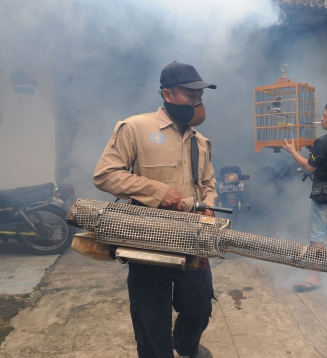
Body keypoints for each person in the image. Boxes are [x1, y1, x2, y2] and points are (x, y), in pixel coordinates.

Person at [93, 61, 217, 358]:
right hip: (147, 238)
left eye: (200, 94)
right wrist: (158, 192)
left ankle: (186, 345)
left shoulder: (201, 141)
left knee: (199, 306)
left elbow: (208, 184)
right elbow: (105, 174)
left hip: (191, 239)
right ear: (167, 94)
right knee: (151, 316)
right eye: (190, 94)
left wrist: (208, 208)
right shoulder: (135, 127)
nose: (197, 100)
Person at [282, 101, 327, 292]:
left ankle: (315, 277)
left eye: (325, 116)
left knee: (317, 236)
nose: (321, 119)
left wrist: (292, 151)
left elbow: (309, 167)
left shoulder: (323, 142)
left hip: (324, 196)